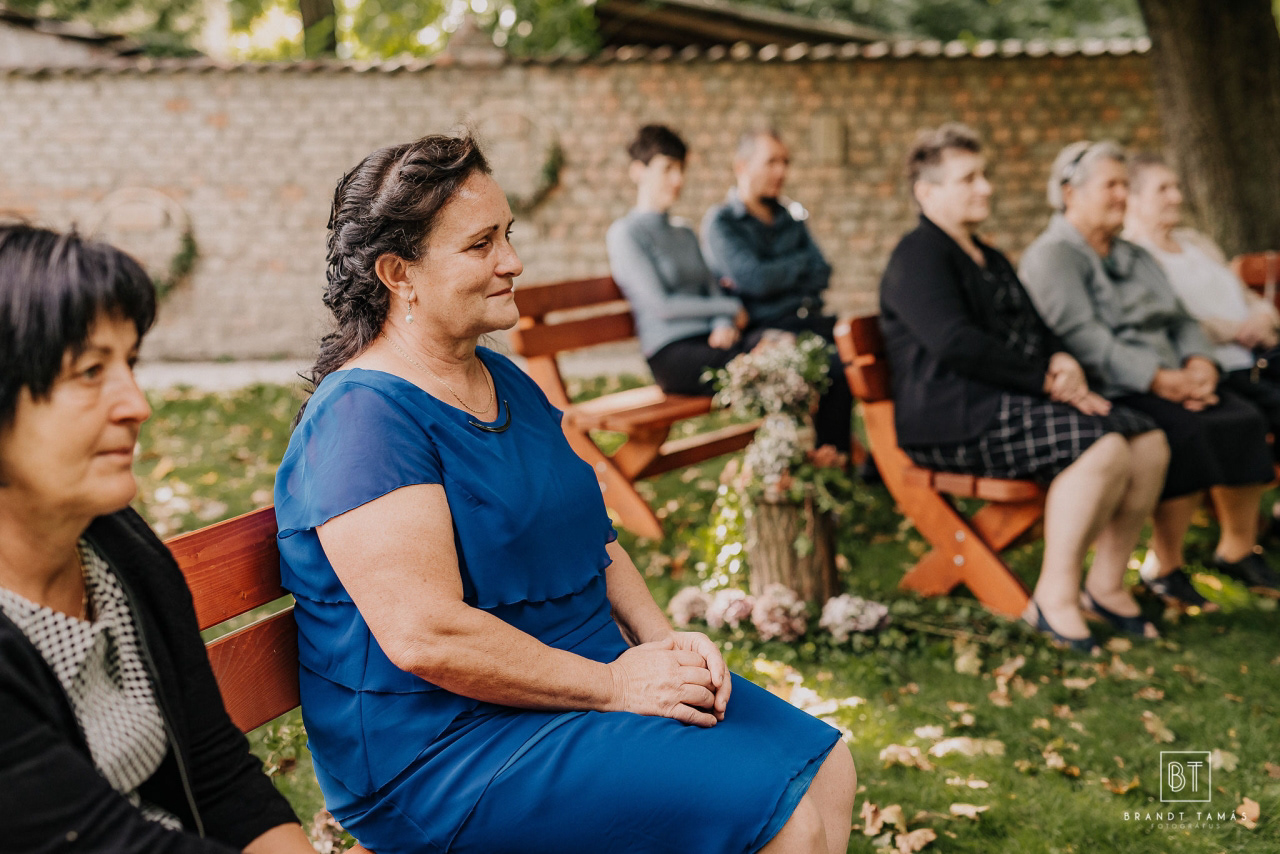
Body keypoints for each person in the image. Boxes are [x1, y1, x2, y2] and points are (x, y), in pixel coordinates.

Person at [273, 134, 855, 854]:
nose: (512, 261)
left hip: (579, 677)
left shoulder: (506, 381)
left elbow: (596, 539)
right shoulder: (364, 419)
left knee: (829, 768)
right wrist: (617, 687)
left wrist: (664, 642)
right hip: (446, 747)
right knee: (782, 823)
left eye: (508, 234)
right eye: (481, 244)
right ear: (400, 274)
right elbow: (427, 636)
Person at [0, 224, 312, 852]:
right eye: (91, 371)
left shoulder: (116, 546)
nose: (136, 404)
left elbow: (218, 773)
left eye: (130, 363)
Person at [880, 125, 1169, 650]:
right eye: (969, 178)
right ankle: (1052, 600)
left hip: (1006, 404)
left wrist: (1060, 358)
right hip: (952, 417)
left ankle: (1105, 587)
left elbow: (1038, 327)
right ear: (927, 192)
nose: (986, 187)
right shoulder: (917, 256)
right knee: (1103, 449)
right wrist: (1045, 381)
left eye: (984, 175)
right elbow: (955, 343)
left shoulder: (989, 258)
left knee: (1148, 443)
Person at [1019, 141, 1280, 607]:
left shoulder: (1132, 255)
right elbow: (1083, 338)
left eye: (1125, 184)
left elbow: (1180, 318)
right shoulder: (1053, 256)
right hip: (1112, 386)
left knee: (1242, 418)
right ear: (1070, 193)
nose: (1123, 195)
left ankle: (1237, 549)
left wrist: (1200, 364)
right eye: (1111, 185)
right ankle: (1166, 564)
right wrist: (1160, 380)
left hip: (1172, 377)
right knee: (1185, 430)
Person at [700, 128, 854, 453]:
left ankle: (852, 461)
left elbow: (823, 272)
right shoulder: (721, 223)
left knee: (871, 353)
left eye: (785, 162)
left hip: (812, 320)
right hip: (767, 331)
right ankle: (832, 461)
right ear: (741, 166)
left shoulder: (790, 216)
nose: (781, 171)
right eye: (771, 162)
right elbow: (756, 280)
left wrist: (772, 273)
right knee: (835, 369)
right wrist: (797, 265)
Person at [1124, 153, 1280, 446]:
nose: (1177, 197)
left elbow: (1246, 296)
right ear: (1132, 198)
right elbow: (1175, 321)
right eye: (1163, 189)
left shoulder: (1195, 241)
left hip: (1264, 356)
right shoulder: (1134, 257)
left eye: (1176, 187)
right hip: (1225, 371)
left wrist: (1264, 318)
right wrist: (1238, 331)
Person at [606, 125, 750, 395]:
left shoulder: (685, 232)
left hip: (712, 340)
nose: (678, 179)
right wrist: (731, 307)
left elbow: (711, 288)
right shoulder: (625, 233)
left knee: (781, 346)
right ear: (638, 171)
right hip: (672, 353)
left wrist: (722, 322)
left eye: (681, 169)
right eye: (668, 168)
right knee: (765, 363)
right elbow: (663, 306)